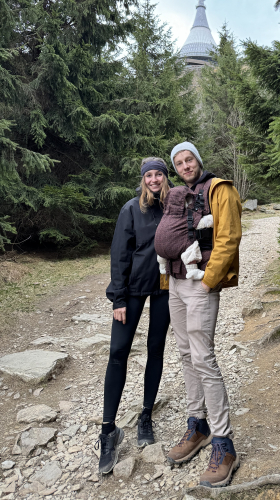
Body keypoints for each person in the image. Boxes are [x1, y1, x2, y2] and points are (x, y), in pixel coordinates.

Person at [155, 141, 242, 488]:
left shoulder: (219, 189)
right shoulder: (179, 195)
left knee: (203, 358)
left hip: (200, 284)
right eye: (178, 162)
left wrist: (210, 281)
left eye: (188, 159)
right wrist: (168, 280)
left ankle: (223, 443)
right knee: (185, 355)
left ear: (198, 160)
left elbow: (229, 237)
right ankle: (197, 426)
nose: (185, 166)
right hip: (176, 283)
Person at [97, 157, 171, 475]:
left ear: (165, 177)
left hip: (165, 288)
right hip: (132, 291)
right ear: (143, 179)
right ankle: (108, 430)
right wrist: (118, 297)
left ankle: (146, 416)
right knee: (118, 352)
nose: (154, 179)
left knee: (156, 349)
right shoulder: (131, 209)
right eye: (149, 175)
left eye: (159, 174)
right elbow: (119, 255)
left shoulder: (173, 207)